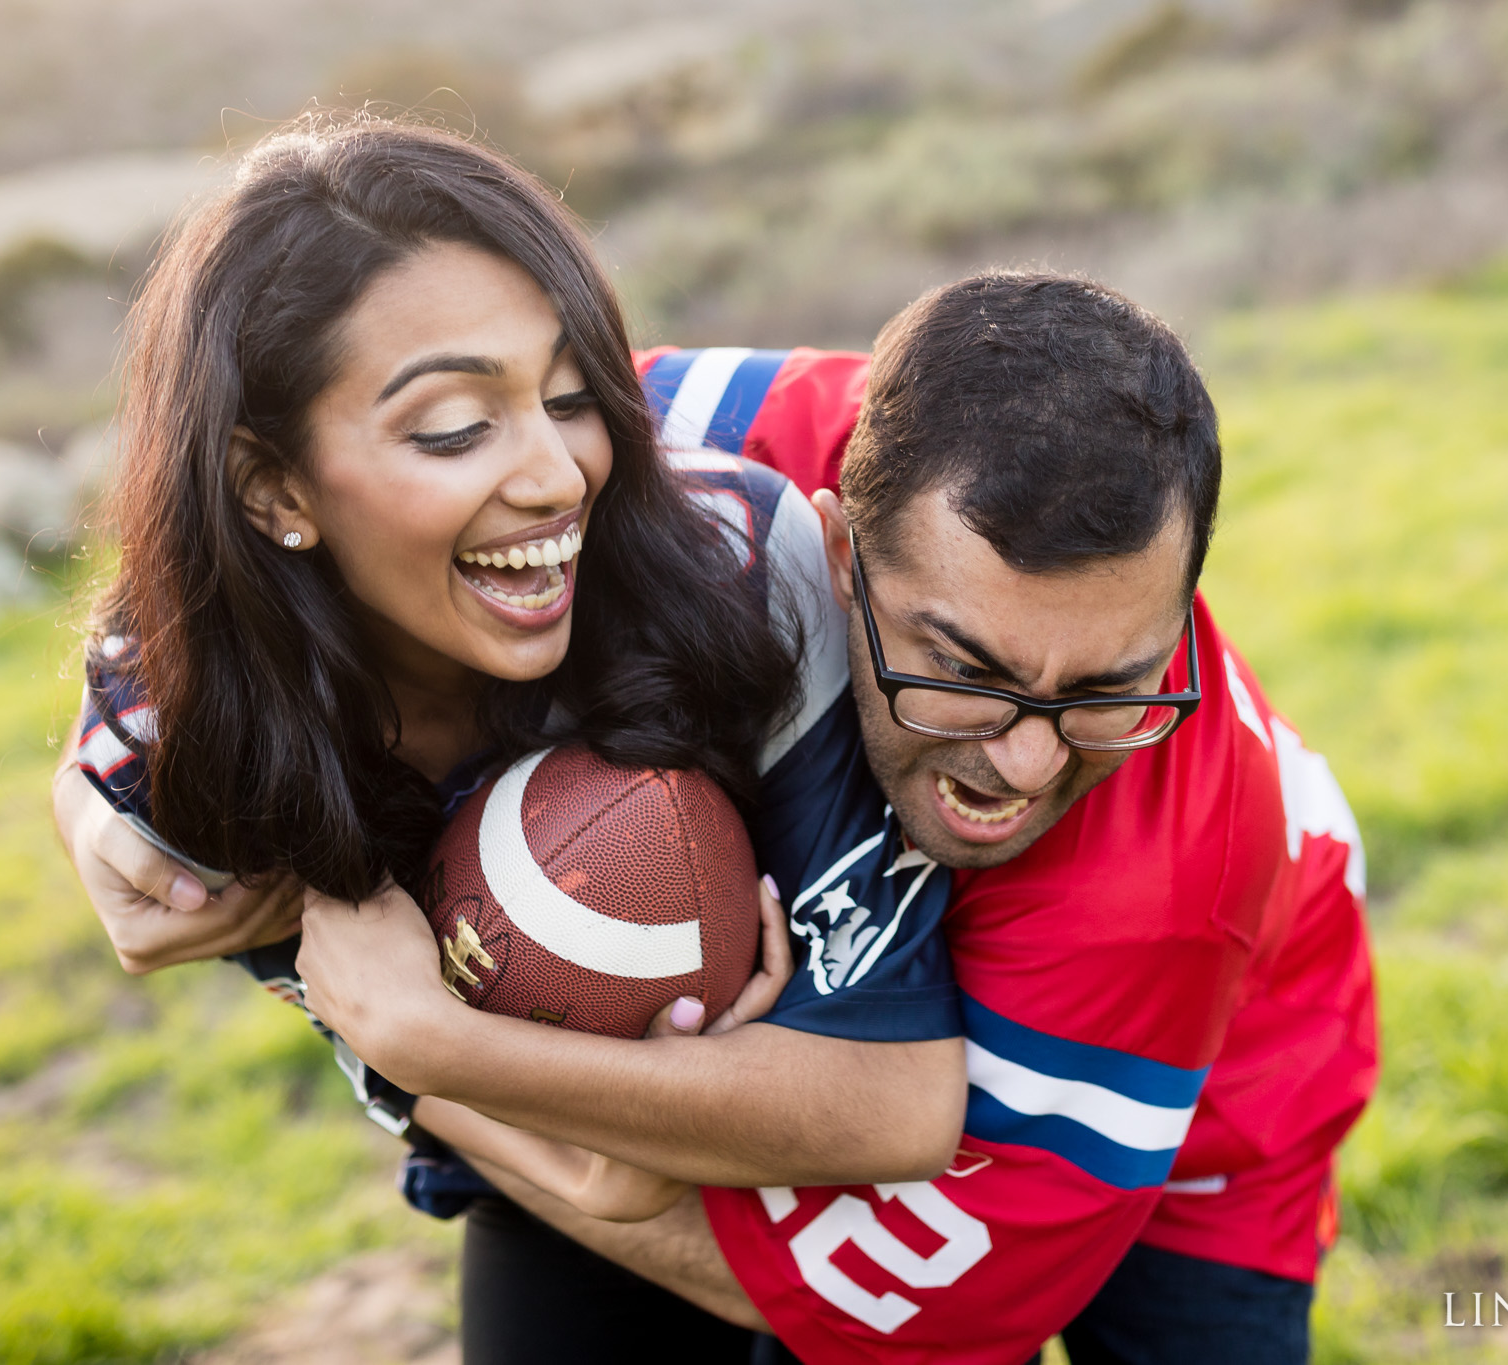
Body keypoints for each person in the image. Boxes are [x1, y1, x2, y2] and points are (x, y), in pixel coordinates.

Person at [59, 138, 1373, 1359]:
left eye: (1104, 690)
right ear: (840, 537)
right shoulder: (648, 453)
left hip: (1185, 1088)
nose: (1025, 761)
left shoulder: (1166, 886)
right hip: (747, 994)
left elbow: (923, 1309)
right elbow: (228, 562)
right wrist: (103, 800)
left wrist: (447, 1052)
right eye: (958, 670)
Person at [53, 110, 973, 1362]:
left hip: (836, 1149)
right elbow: (453, 1101)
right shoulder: (197, 745)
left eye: (569, 395)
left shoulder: (739, 569)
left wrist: (441, 1036)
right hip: (531, 1171)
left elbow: (896, 1105)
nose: (554, 475)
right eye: (452, 428)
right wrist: (598, 1173)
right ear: (272, 487)